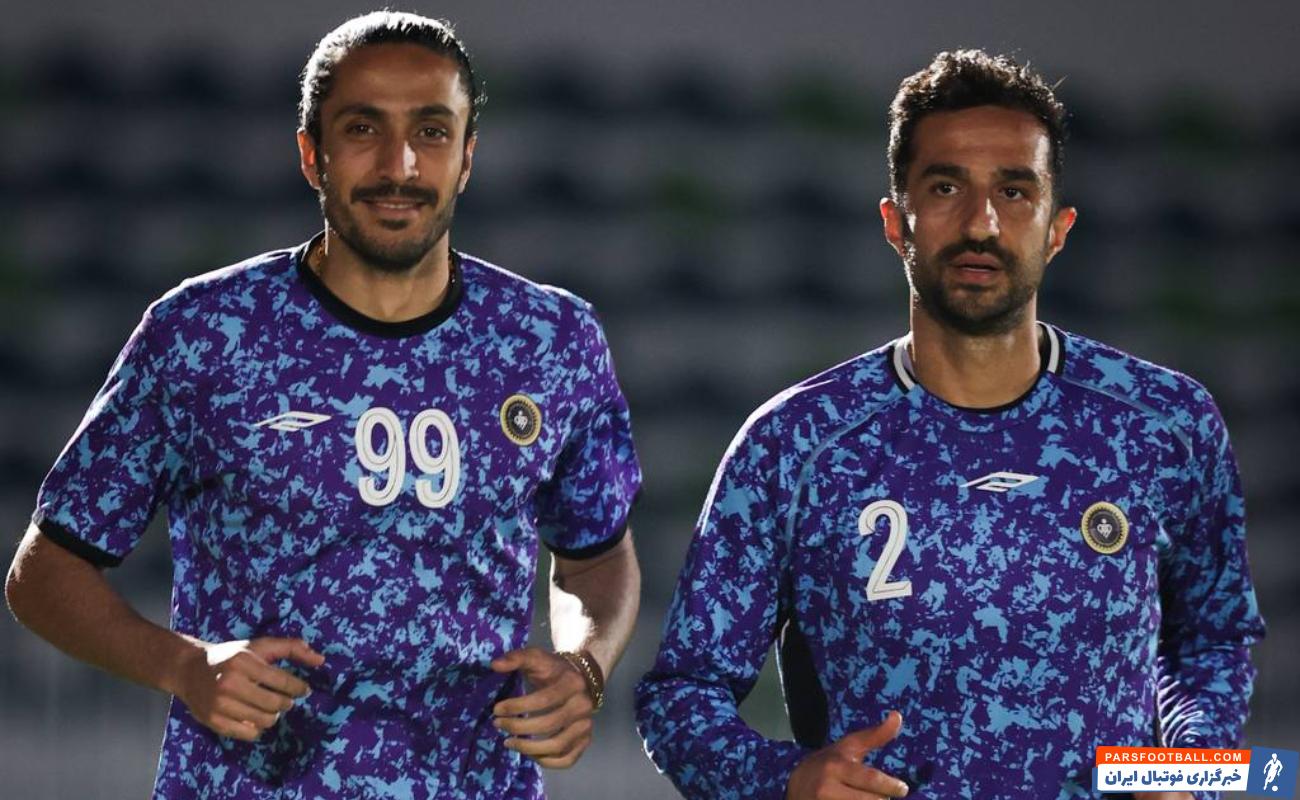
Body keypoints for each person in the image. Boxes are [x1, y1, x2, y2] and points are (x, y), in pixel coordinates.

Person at [5, 11, 641, 799]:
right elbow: (43, 573)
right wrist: (185, 665)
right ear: (312, 153)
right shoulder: (204, 334)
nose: (400, 165)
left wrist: (585, 663)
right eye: (363, 128)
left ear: (467, 157)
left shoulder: (552, 340)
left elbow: (597, 555)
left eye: (432, 132)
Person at [635, 49, 1263, 800]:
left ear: (1058, 228)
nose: (981, 223)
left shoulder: (1165, 425)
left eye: (1015, 191)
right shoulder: (797, 443)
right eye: (945, 187)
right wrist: (785, 780)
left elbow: (1213, 640)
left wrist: (1192, 775)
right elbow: (682, 695)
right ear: (894, 222)